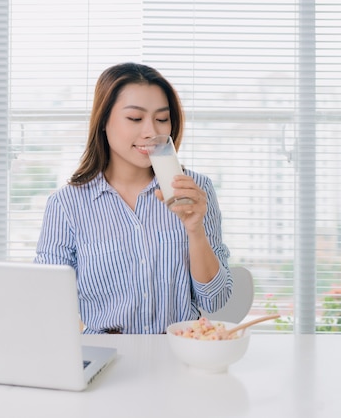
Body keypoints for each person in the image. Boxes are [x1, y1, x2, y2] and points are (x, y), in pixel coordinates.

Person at [34, 62, 232, 334]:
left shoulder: (196, 190)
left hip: (177, 357)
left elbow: (216, 300)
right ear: (104, 121)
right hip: (105, 357)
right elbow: (45, 303)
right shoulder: (67, 206)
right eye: (135, 119)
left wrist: (195, 230)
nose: (151, 131)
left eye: (162, 119)